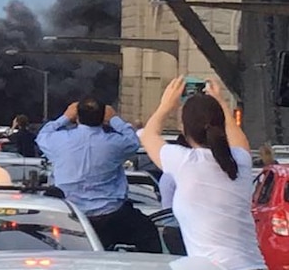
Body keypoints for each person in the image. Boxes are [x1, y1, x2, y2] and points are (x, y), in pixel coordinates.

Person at [140, 77, 266, 269]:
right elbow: (237, 138)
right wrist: (221, 103)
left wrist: (166, 105)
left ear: (184, 128)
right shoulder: (240, 160)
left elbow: (149, 135)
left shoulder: (184, 162)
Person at [36, 96, 161, 253]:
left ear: (77, 117)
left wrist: (65, 117)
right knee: (148, 235)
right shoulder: (114, 143)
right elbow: (133, 141)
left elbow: (42, 135)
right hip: (111, 216)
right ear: (103, 118)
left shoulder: (59, 140)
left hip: (70, 215)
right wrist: (115, 119)